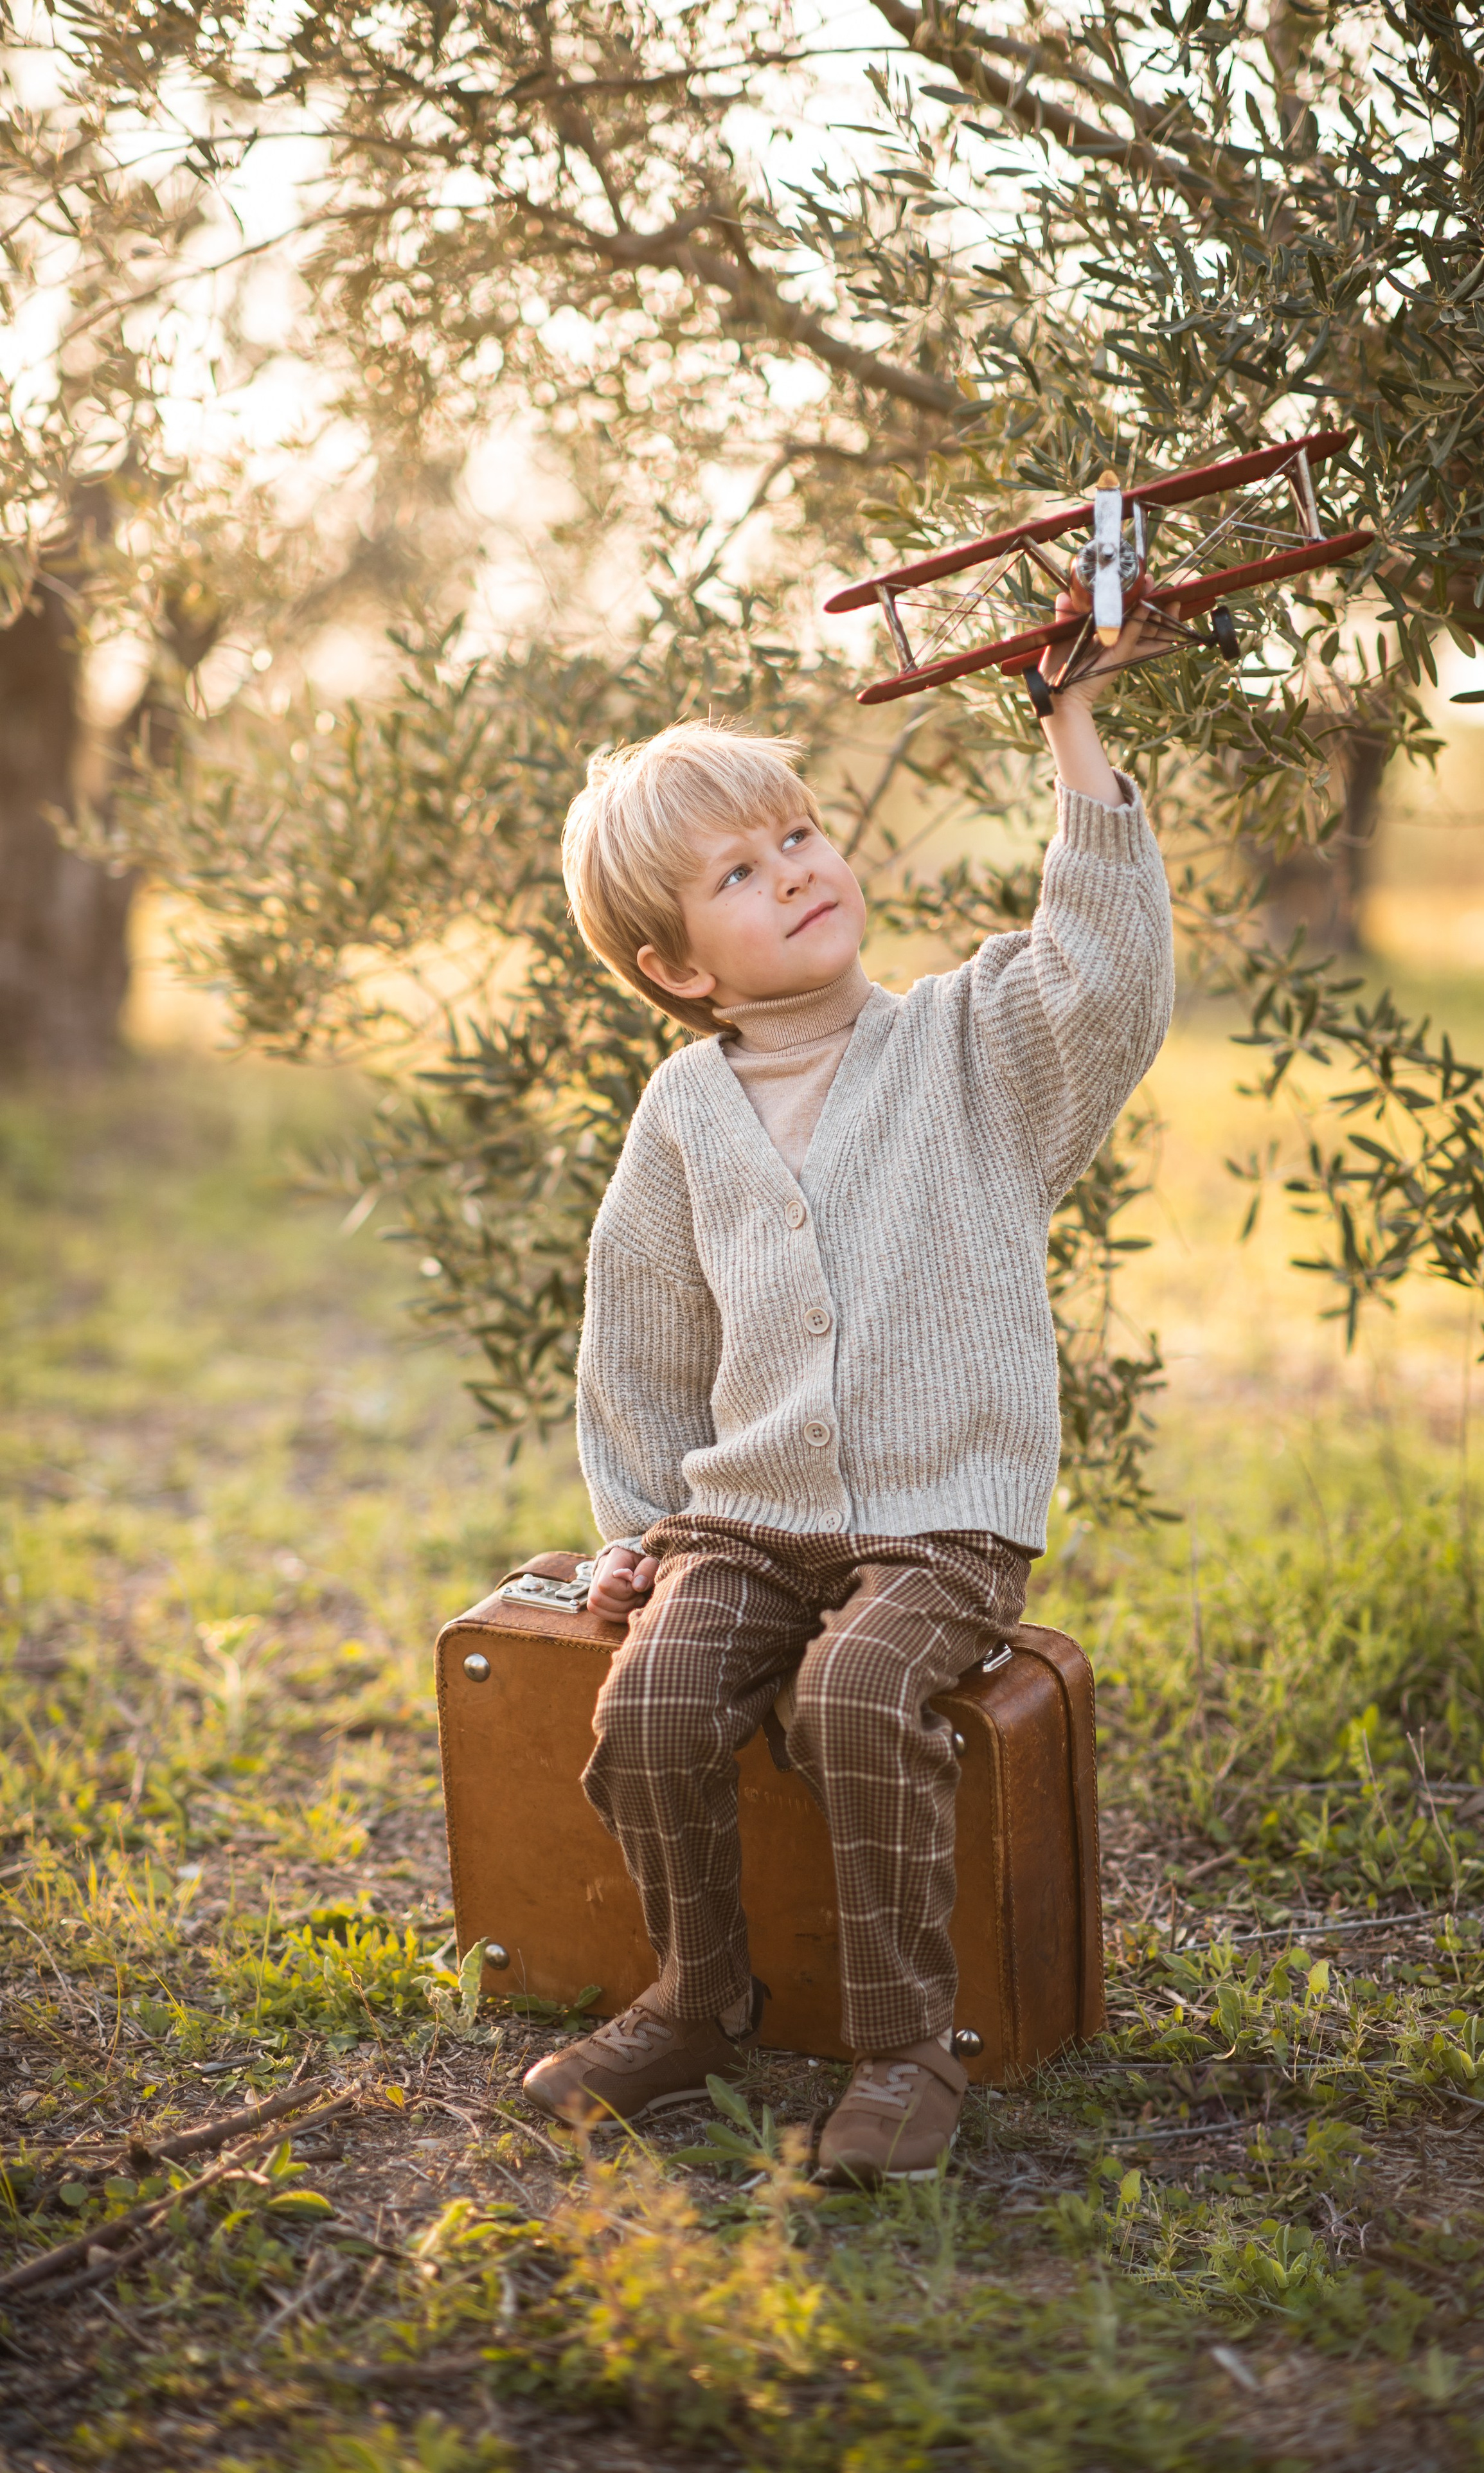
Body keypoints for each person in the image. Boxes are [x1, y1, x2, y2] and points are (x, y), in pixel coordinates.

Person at [523, 596, 1175, 2183]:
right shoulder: (684, 1113)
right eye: (737, 871)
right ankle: (697, 1997)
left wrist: (1069, 730)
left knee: (853, 1694)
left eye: (799, 832)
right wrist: (644, 1529)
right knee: (656, 1701)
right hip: (746, 1521)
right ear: (674, 965)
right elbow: (644, 1339)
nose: (797, 867)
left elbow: (1105, 978)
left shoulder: (969, 1046)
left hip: (940, 1516)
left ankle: (903, 2050)